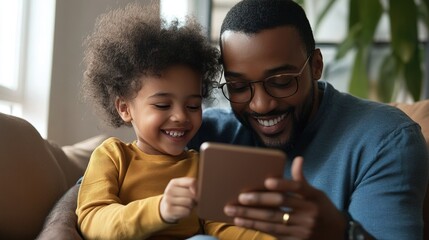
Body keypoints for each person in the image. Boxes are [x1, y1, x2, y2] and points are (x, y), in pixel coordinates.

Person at [38, 0, 429, 239]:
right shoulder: (205, 132)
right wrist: (58, 230)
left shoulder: (386, 139)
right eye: (240, 86)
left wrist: (338, 233)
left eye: (280, 81)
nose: (259, 104)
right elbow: (94, 187)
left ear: (316, 66)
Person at [73, 3, 274, 240]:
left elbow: (221, 226)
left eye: (192, 106)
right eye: (162, 105)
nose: (181, 116)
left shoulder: (202, 167)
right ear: (125, 108)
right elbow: (92, 220)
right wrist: (159, 210)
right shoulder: (112, 156)